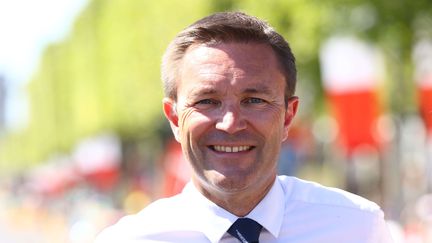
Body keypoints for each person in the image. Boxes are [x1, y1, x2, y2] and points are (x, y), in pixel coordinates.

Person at [95, 11, 393, 243]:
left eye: (254, 100)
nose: (230, 123)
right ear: (174, 118)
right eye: (207, 101)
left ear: (289, 116)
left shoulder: (356, 227)